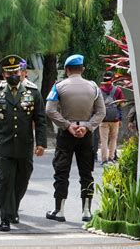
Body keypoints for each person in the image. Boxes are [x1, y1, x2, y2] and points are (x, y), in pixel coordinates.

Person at [0, 55, 47, 232]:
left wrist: (41, 143)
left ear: (22, 73)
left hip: (25, 145)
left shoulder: (33, 93)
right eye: (9, 72)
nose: (13, 75)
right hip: (3, 145)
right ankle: (5, 217)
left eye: (16, 72)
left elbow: (40, 119)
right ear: (3, 74)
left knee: (22, 179)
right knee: (5, 181)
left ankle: (13, 208)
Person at [45, 54, 106, 223]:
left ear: (67, 70)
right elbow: (101, 112)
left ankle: (59, 210)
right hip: (86, 135)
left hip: (66, 135)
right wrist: (87, 126)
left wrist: (67, 125)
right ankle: (86, 211)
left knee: (61, 172)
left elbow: (50, 110)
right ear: (83, 69)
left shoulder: (59, 86)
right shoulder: (94, 87)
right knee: (86, 173)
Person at [99, 71, 125, 165]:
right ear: (112, 78)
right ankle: (111, 158)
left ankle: (104, 159)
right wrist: (120, 117)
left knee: (104, 140)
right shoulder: (117, 90)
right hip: (115, 119)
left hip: (103, 119)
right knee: (113, 139)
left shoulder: (99, 90)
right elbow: (121, 104)